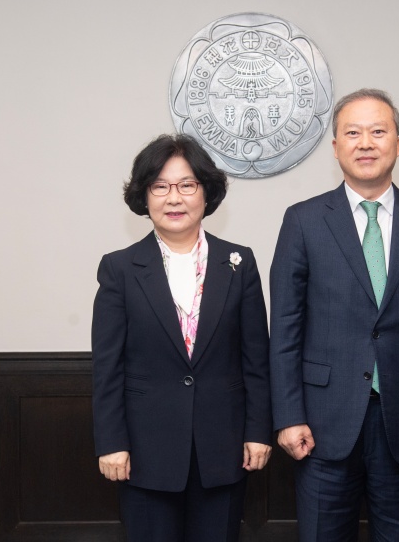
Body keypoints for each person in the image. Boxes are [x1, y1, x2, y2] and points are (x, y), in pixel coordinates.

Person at [269, 89, 399, 541]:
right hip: (321, 424)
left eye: (378, 132)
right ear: (335, 146)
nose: (365, 143)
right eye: (353, 133)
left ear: (398, 144)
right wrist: (288, 415)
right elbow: (284, 329)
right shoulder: (303, 220)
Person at [92, 134, 272, 542]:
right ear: (144, 196)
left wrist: (258, 431)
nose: (174, 198)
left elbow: (256, 361)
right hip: (144, 454)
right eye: (160, 186)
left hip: (223, 450)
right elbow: (107, 368)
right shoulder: (119, 269)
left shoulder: (238, 263)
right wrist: (111, 442)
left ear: (206, 192)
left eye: (187, 185)